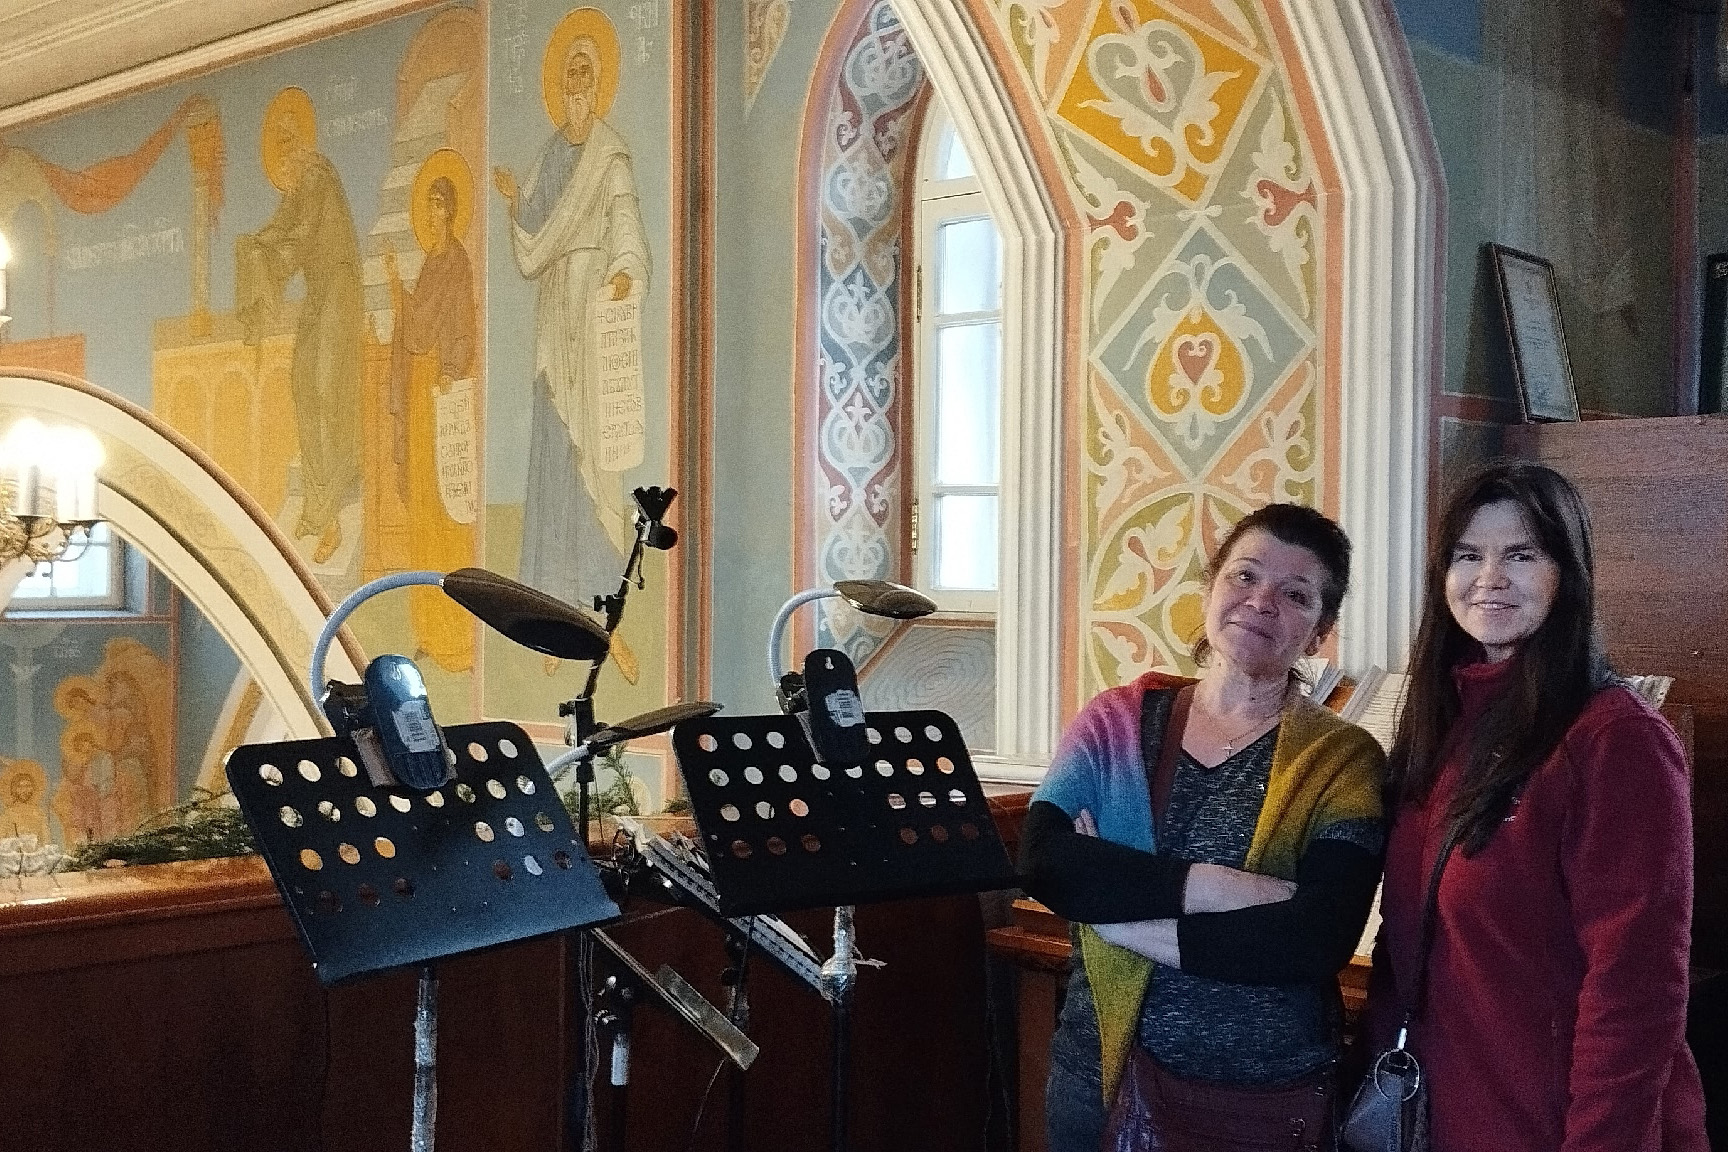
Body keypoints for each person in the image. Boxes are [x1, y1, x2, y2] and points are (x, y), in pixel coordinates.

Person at [1364, 462, 1706, 1151]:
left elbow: (1636, 991)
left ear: (1566, 574)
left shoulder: (1616, 739)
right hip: (1436, 1113)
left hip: (1552, 1126)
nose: (1490, 578)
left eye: (1521, 555)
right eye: (1468, 555)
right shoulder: (1443, 722)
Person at [1022, 503, 1386, 1150]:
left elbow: (1312, 940)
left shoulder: (1343, 760)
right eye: (1244, 576)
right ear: (1210, 588)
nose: (1261, 601)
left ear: (1321, 631)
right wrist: (1217, 888)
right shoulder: (1117, 721)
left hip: (1262, 1105)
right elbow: (1046, 862)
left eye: (1295, 595)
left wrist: (1115, 919)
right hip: (1100, 1081)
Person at [494, 22, 649, 610]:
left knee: (587, 439)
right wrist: (516, 201)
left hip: (591, 304)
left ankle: (596, 587)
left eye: (585, 71)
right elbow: (536, 228)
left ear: (598, 82)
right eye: (570, 73)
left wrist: (625, 271)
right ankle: (549, 587)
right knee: (553, 431)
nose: (576, 82)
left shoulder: (610, 155)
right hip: (554, 305)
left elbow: (626, 225)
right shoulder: (552, 153)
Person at [236, 86, 364, 567]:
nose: (284, 156)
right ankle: (316, 506)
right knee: (302, 385)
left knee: (326, 387)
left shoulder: (316, 176)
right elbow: (280, 229)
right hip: (318, 295)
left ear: (302, 145)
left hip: (340, 294)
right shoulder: (299, 188)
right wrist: (254, 247)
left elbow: (300, 233)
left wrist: (268, 255)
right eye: (280, 145)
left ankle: (330, 513)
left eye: (289, 142)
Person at [385, 165, 478, 672]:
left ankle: (456, 632)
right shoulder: (429, 263)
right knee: (424, 505)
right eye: (429, 205)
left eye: (440, 205)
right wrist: (397, 286)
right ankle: (428, 628)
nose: (433, 213)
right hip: (423, 393)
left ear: (452, 212)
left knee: (446, 510)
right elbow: (416, 323)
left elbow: (461, 324)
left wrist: (451, 366)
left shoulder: (456, 263)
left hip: (442, 394)